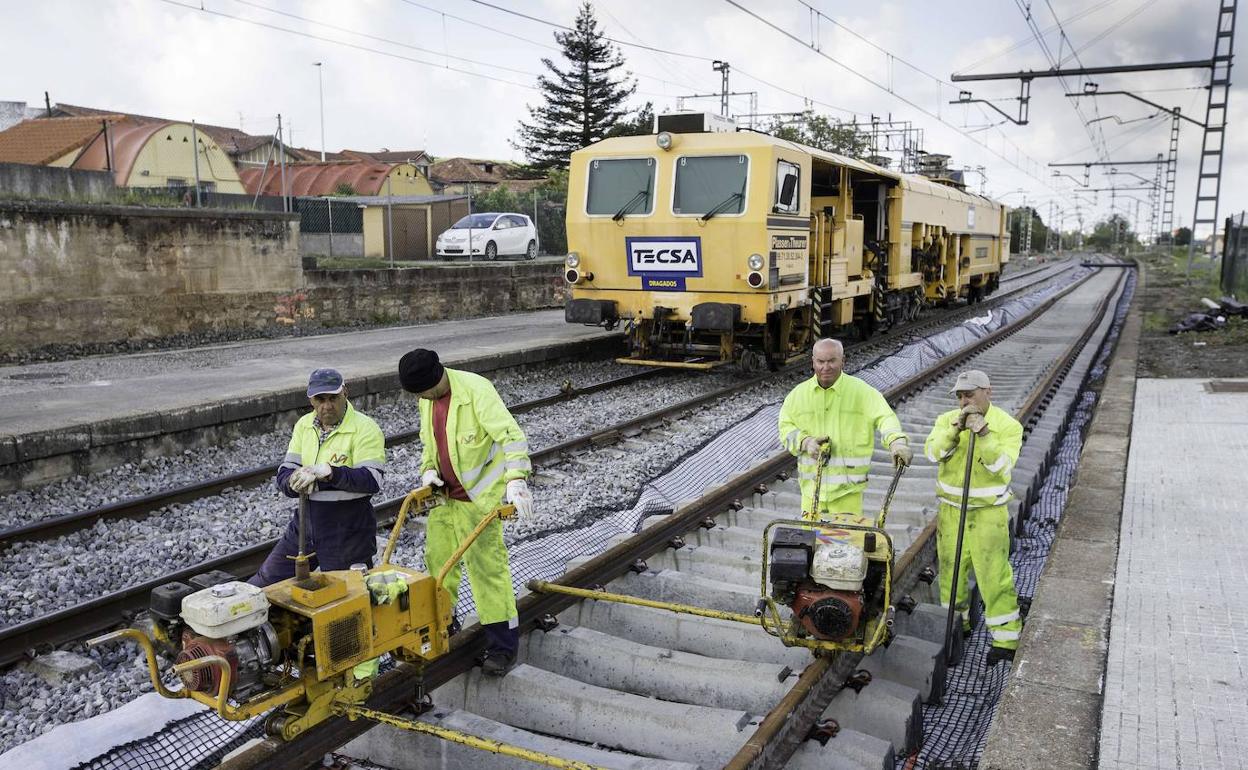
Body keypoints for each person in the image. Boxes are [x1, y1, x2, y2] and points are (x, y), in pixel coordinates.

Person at [398, 348, 533, 676]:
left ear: (435, 380)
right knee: (439, 569)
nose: (423, 399)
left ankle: (503, 646)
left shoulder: (476, 391)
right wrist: (428, 470)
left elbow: (511, 437)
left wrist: (516, 480)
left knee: (488, 572)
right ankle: (445, 627)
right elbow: (429, 445)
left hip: (478, 503)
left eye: (424, 392)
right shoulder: (426, 402)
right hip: (445, 501)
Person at [250, 368, 387, 587]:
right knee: (265, 583)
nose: (327, 406)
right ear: (311, 399)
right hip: (306, 523)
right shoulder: (304, 425)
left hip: (348, 530)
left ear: (345, 393)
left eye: (333, 398)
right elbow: (285, 471)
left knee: (347, 599)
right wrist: (292, 481)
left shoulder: (365, 428)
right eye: (320, 399)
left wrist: (331, 472)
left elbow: (372, 480)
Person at [924, 369, 1024, 666]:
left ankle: (1006, 641)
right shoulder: (946, 421)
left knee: (994, 576)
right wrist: (954, 431)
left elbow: (1001, 468)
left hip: (988, 515)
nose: (965, 401)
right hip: (952, 512)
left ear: (987, 392)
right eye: (960, 396)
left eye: (970, 394)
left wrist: (983, 433)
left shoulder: (1008, 426)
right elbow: (932, 453)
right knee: (951, 575)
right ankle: (958, 628)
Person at [778, 338, 912, 519]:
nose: (826, 367)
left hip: (847, 495)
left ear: (843, 361)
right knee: (810, 545)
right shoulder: (797, 396)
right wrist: (805, 441)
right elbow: (785, 428)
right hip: (810, 495)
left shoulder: (862, 392)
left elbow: (885, 417)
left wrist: (896, 442)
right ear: (813, 362)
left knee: (845, 545)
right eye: (820, 361)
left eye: (832, 361)